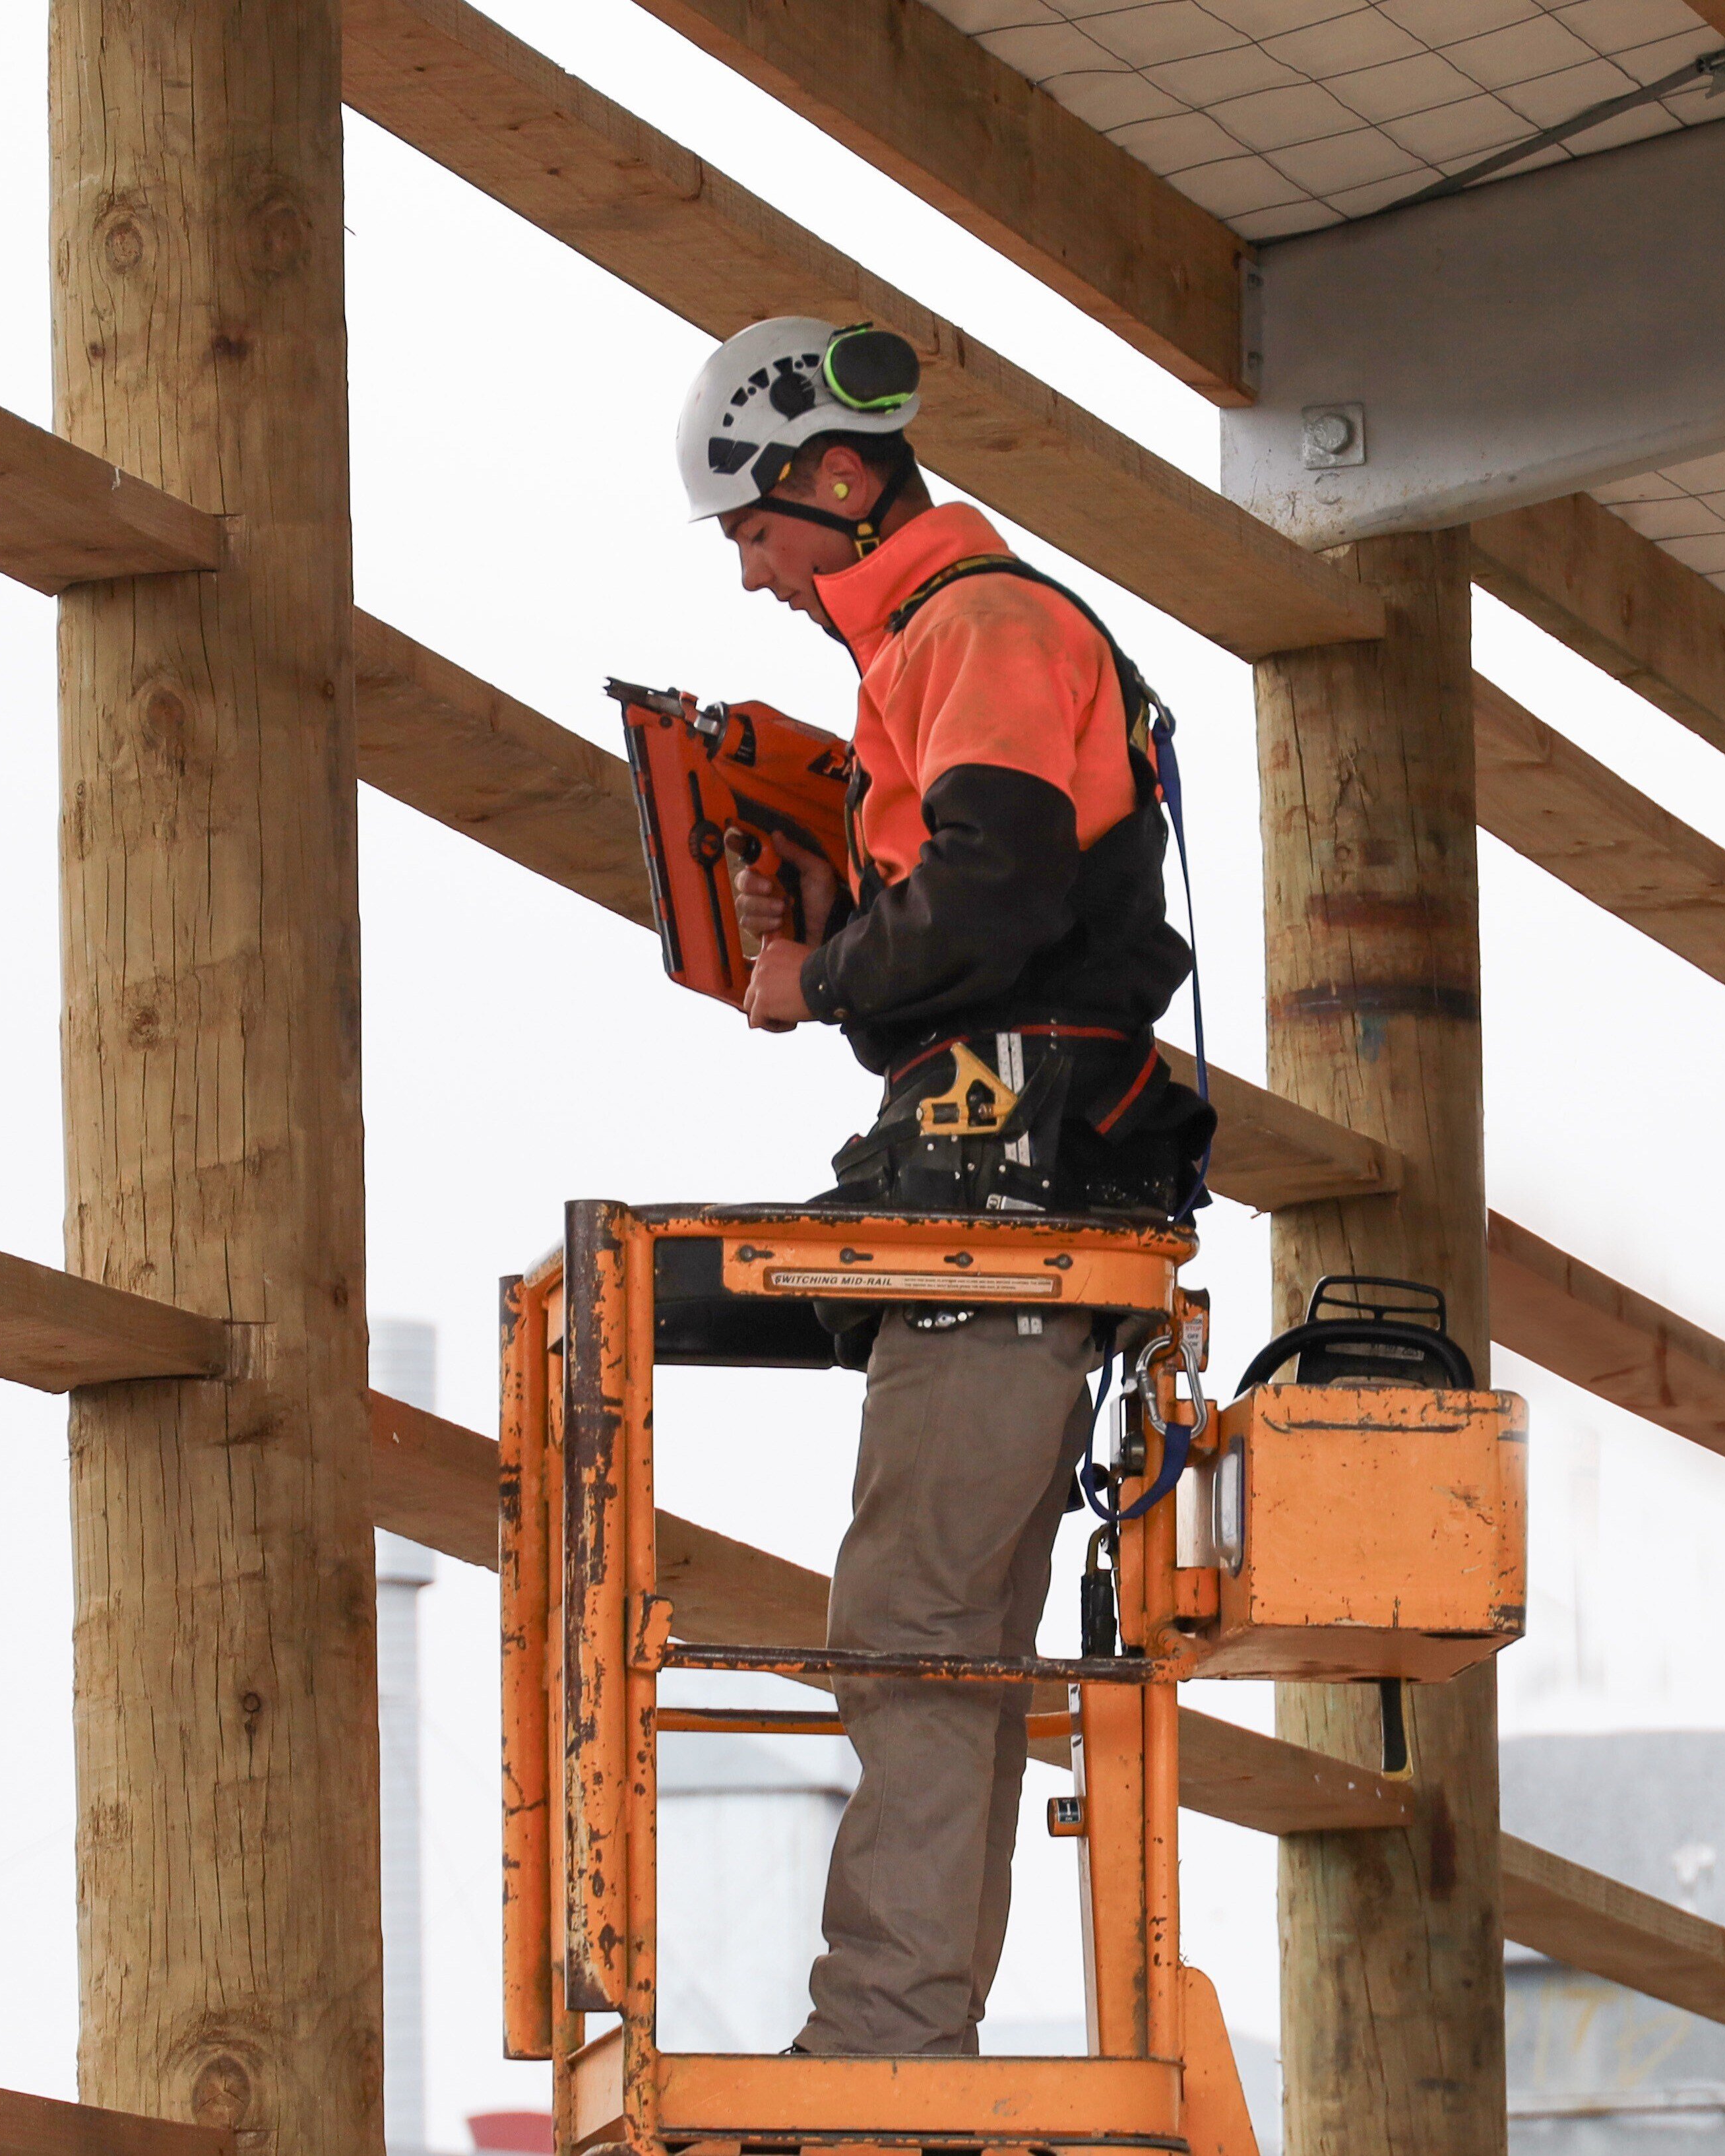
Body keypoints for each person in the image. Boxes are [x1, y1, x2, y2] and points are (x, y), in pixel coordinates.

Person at [675, 314, 1216, 2057]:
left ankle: (885, 2032)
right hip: (1005, 1177)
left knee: (913, 1621)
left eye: (755, 529)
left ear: (838, 481)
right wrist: (843, 944)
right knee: (950, 1635)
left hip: (1013, 1203)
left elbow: (989, 897)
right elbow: (989, 926)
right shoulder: (956, 636)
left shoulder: (975, 624)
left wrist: (811, 977)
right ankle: (906, 2020)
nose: (753, 576)